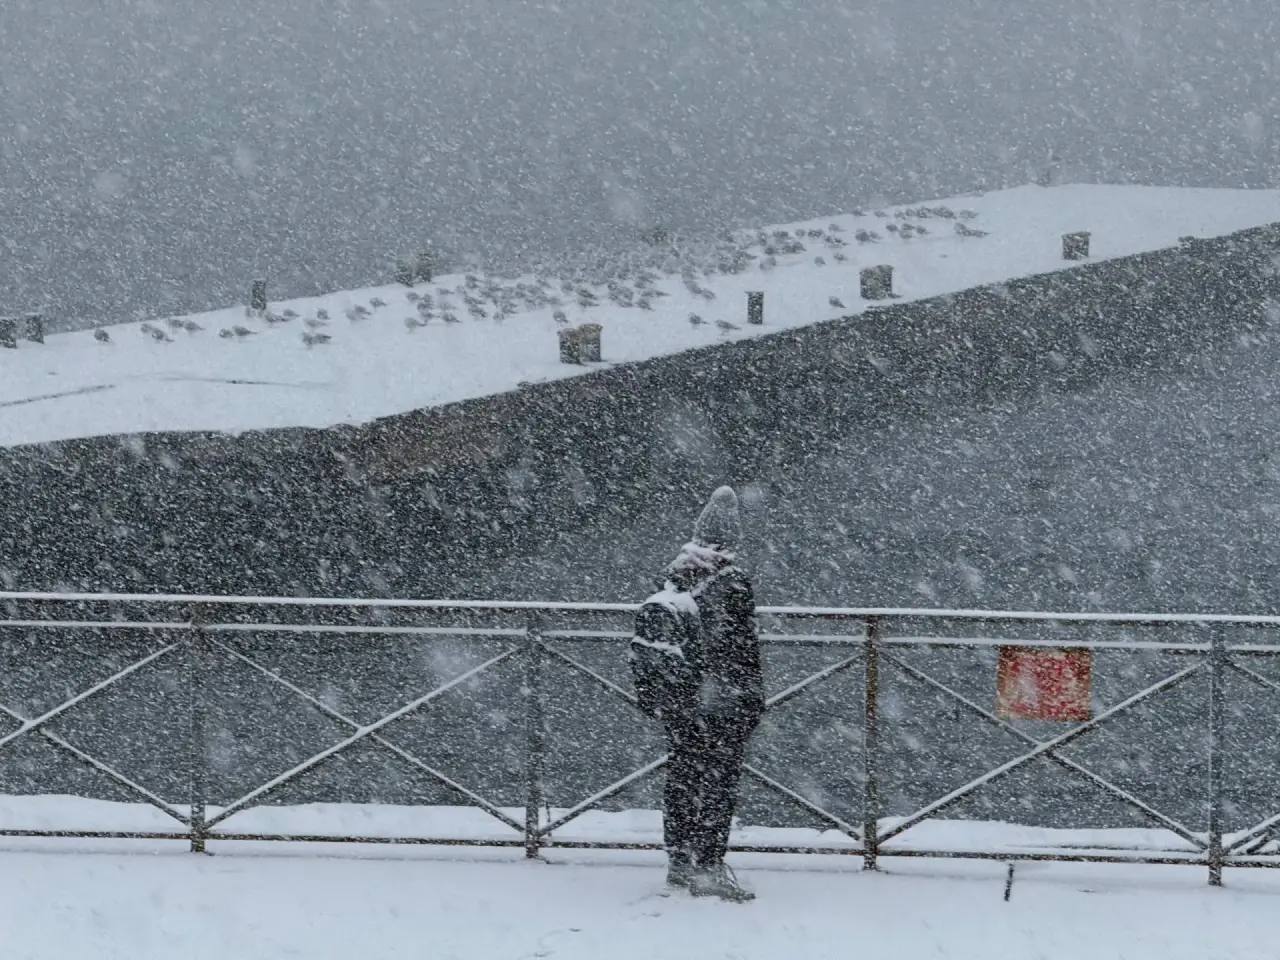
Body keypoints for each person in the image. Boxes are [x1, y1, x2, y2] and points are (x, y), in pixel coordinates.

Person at [631, 486, 765, 902]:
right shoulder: (733, 582)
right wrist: (752, 699)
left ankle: (679, 863)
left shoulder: (676, 574)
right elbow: (741, 651)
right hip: (721, 701)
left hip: (679, 700)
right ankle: (708, 867)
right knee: (719, 783)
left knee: (683, 776)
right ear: (732, 541)